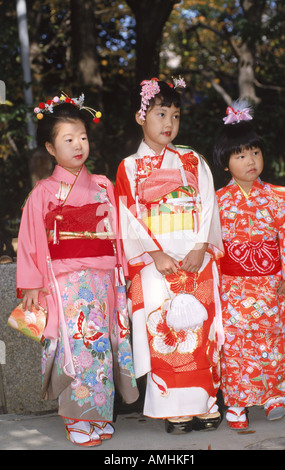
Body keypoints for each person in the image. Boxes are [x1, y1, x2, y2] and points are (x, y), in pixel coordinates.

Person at [16, 93, 138, 446]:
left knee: (102, 348)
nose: (78, 145)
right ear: (51, 149)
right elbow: (30, 241)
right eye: (67, 139)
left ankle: (97, 414)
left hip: (103, 280)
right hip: (65, 283)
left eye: (82, 137)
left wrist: (122, 272)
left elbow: (118, 234)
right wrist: (32, 284)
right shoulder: (43, 191)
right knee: (76, 347)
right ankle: (75, 418)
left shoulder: (102, 185)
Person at [114, 77, 224, 434]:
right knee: (162, 331)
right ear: (140, 117)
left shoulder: (192, 160)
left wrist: (199, 247)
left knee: (199, 330)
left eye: (175, 116)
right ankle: (172, 408)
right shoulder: (129, 167)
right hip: (155, 262)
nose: (169, 124)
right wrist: (155, 253)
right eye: (161, 114)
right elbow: (126, 214)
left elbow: (208, 203)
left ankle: (206, 403)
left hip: (195, 256)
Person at [213, 100, 285, 429]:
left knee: (273, 338)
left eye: (254, 153)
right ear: (225, 162)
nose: (250, 161)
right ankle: (236, 402)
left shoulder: (279, 197)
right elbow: (212, 247)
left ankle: (274, 395)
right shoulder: (218, 202)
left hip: (272, 284)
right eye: (240, 155)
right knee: (235, 343)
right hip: (233, 288)